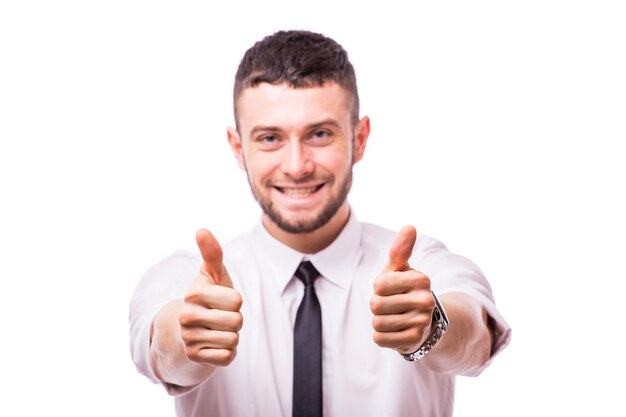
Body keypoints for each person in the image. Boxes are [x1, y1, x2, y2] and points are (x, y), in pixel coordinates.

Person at [129, 30, 511, 417]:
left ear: (359, 139)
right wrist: (187, 338)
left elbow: (477, 336)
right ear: (238, 148)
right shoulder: (191, 281)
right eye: (270, 138)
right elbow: (160, 346)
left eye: (320, 134)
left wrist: (433, 327)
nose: (297, 166)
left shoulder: (421, 270)